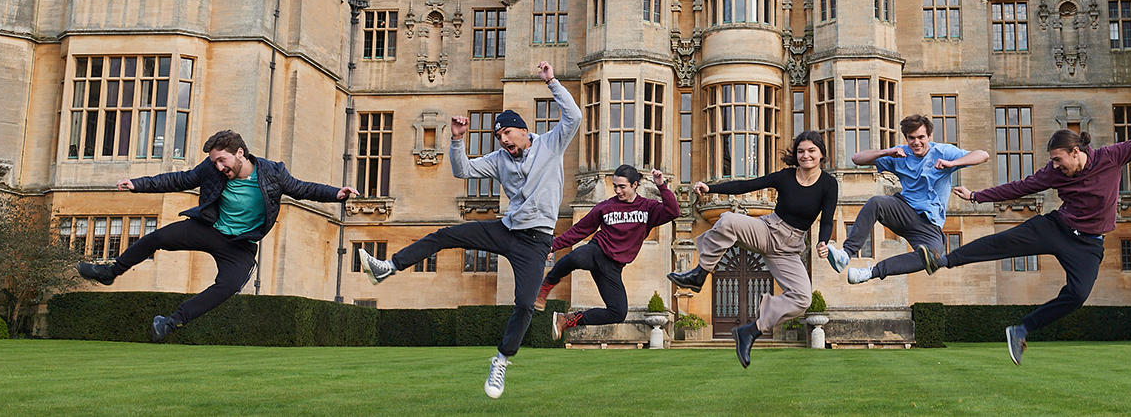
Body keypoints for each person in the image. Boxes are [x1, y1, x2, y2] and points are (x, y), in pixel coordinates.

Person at [356, 61, 579, 399]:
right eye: (499, 136)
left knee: (524, 304)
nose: (503, 140)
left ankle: (502, 359)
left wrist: (551, 82)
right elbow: (462, 171)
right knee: (447, 235)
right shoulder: (499, 159)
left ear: (522, 130)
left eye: (507, 134)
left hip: (535, 242)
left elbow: (574, 117)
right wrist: (457, 140)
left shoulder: (551, 144)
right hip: (506, 230)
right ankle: (389, 267)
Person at [930, 90, 1131, 366]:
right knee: (1004, 242)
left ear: (1075, 152)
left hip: (1089, 244)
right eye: (1052, 160)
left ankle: (1021, 330)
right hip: (1058, 227)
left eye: (1058, 159)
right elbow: (1020, 186)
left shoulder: (1111, 157)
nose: (1055, 165)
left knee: (1077, 295)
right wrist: (976, 195)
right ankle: (944, 259)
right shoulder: (1054, 172)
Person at [75, 130, 358, 342]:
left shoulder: (273, 173)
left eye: (222, 161)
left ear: (239, 153)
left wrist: (336, 193)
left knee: (228, 286)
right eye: (215, 162)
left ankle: (170, 323)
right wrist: (137, 184)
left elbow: (302, 188)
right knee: (157, 237)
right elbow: (179, 180)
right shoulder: (211, 170)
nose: (219, 167)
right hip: (209, 229)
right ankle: (111, 272)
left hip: (240, 245)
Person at [667, 131, 838, 368]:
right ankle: (699, 273)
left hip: (788, 248)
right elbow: (746, 185)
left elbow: (827, 219)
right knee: (727, 221)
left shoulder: (829, 184)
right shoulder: (786, 177)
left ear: (821, 154)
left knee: (802, 298)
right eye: (801, 151)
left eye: (811, 151)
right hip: (766, 229)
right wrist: (711, 188)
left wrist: (823, 241)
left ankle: (750, 331)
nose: (805, 155)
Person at [832, 115, 990, 284]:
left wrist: (953, 164)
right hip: (904, 211)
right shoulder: (900, 154)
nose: (916, 143)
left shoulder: (943, 152)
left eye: (921, 137)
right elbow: (856, 159)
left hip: (929, 224)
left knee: (931, 258)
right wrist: (886, 152)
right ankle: (846, 254)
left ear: (929, 136)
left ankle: (870, 273)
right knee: (877, 202)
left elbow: (983, 155)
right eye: (911, 138)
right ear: (906, 138)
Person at [537, 165, 680, 338]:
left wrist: (661, 185)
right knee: (575, 258)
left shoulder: (648, 207)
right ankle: (546, 285)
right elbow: (580, 230)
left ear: (635, 185)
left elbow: (673, 211)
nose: (617, 190)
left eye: (622, 186)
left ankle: (567, 320)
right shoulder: (606, 206)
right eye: (615, 186)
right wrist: (553, 245)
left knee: (618, 312)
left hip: (613, 267)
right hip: (597, 250)